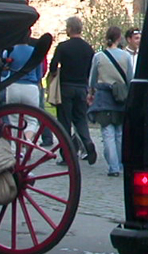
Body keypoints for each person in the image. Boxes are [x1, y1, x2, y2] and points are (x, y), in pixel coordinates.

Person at [49, 16, 97, 165]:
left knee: (64, 122)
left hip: (66, 87)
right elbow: (91, 70)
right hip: (82, 87)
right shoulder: (88, 48)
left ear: (69, 29)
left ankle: (68, 155)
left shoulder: (63, 47)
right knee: (80, 119)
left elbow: (53, 67)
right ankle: (87, 142)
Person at [87, 25, 134, 176]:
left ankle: (113, 167)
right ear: (119, 38)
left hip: (104, 96)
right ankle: (119, 164)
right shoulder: (126, 57)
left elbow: (92, 79)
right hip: (120, 96)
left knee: (107, 132)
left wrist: (91, 92)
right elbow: (130, 78)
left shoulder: (99, 57)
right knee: (119, 132)